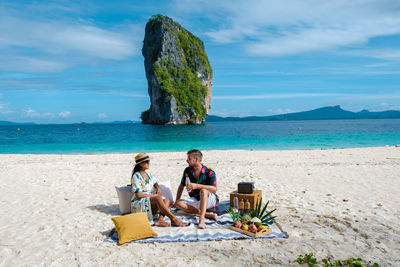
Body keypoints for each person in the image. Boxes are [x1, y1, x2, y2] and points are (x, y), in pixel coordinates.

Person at [131, 153, 187, 227]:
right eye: (146, 162)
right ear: (140, 164)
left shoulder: (148, 175)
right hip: (139, 203)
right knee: (158, 197)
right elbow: (138, 195)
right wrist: (154, 195)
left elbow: (155, 182)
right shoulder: (136, 176)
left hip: (148, 201)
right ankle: (173, 219)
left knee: (167, 200)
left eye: (148, 161)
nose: (148, 163)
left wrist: (158, 188)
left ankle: (160, 220)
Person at [175, 149, 219, 229]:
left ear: (196, 159)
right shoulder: (187, 170)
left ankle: (201, 220)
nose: (187, 161)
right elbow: (181, 186)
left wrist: (197, 186)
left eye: (189, 159)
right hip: (196, 199)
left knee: (203, 191)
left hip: (210, 199)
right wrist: (176, 202)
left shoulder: (209, 171)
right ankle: (207, 214)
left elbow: (214, 189)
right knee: (178, 203)